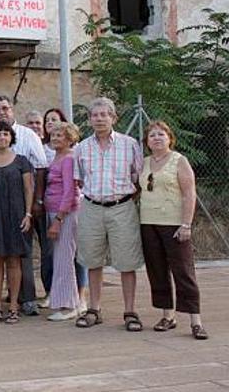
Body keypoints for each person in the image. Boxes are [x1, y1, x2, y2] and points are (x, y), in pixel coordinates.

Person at [0, 96, 47, 316]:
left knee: (17, 258)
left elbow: (37, 173)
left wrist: (32, 208)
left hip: (17, 213)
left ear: (12, 110)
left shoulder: (28, 138)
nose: (2, 112)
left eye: (5, 108)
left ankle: (21, 301)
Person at [73, 97, 145, 331]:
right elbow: (80, 179)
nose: (99, 119)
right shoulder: (82, 147)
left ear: (113, 118)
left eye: (104, 114)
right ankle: (94, 309)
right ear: (90, 119)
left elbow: (138, 177)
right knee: (92, 260)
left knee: (126, 262)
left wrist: (122, 199)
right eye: (95, 115)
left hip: (122, 208)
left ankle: (130, 311)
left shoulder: (130, 144)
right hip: (91, 208)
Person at [140, 121, 208, 340]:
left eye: (161, 134)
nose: (157, 138)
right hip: (148, 222)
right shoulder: (144, 163)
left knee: (183, 271)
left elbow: (189, 193)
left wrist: (186, 224)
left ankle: (195, 320)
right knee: (157, 270)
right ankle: (167, 315)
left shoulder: (179, 161)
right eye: (152, 135)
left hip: (174, 224)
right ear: (147, 141)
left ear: (170, 138)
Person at [43, 107, 89, 297]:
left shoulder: (69, 159)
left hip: (65, 214)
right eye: (53, 135)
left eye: (59, 135)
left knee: (64, 258)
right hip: (52, 209)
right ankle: (63, 299)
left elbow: (70, 192)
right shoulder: (57, 156)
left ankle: (68, 302)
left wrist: (58, 219)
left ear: (69, 138)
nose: (54, 138)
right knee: (59, 257)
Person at [24, 109, 53, 309]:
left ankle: (51, 291)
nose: (35, 126)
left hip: (45, 204)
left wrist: (39, 201)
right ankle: (26, 294)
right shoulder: (26, 144)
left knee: (48, 250)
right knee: (23, 251)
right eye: (31, 123)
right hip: (25, 203)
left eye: (37, 123)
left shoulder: (53, 147)